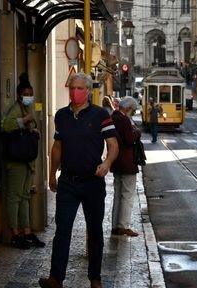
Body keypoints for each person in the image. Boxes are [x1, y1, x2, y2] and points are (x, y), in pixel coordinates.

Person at [39, 73, 119, 288]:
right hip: (68, 182)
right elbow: (57, 147)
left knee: (94, 231)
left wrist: (107, 163)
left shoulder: (101, 114)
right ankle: (56, 278)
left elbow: (113, 145)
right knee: (62, 230)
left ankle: (95, 279)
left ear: (88, 91)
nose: (75, 92)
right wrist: (51, 175)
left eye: (79, 88)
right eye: (72, 88)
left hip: (93, 182)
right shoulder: (62, 116)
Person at [1, 73, 45, 249]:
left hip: (27, 161)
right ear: (20, 95)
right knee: (14, 197)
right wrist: (23, 121)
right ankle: (15, 234)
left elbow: (29, 127)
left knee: (25, 196)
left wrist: (33, 130)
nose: (29, 97)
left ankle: (27, 232)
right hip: (16, 161)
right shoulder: (16, 109)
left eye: (31, 94)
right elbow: (5, 125)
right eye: (26, 94)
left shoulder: (28, 109)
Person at [110, 97, 141, 237]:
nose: (133, 113)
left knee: (118, 194)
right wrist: (137, 132)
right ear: (128, 108)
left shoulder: (113, 117)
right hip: (127, 162)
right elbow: (129, 139)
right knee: (127, 195)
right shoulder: (124, 120)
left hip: (116, 161)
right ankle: (123, 226)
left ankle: (115, 225)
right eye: (133, 111)